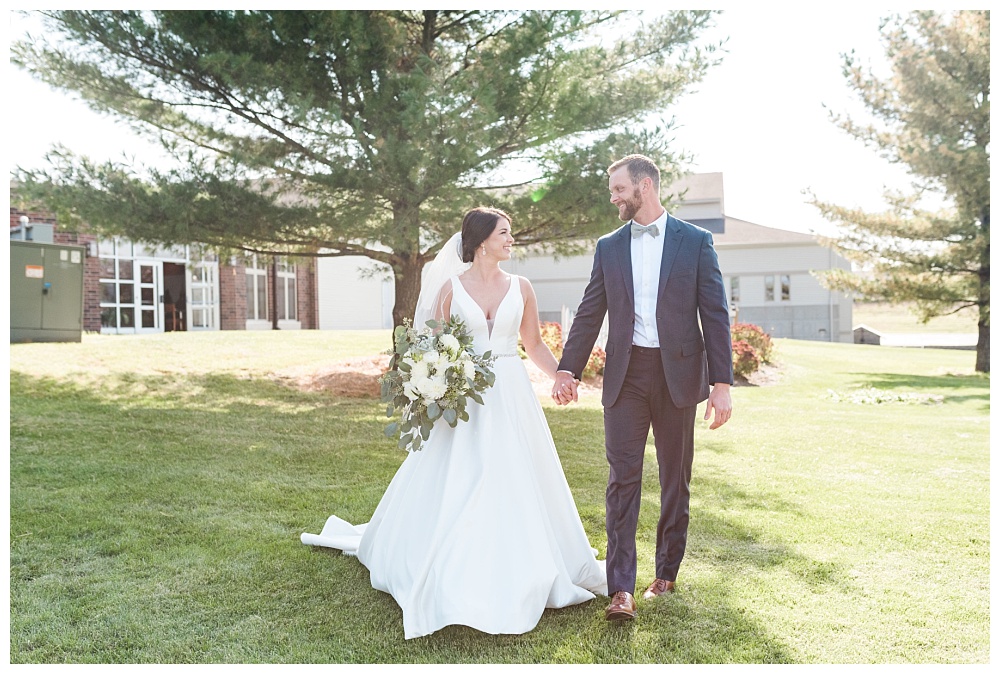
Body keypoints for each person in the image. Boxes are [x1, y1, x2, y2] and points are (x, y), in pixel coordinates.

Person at [302, 207, 607, 640]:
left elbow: (533, 343)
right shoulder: (450, 289)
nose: (511, 239)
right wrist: (433, 381)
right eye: (505, 233)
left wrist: (562, 374)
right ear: (482, 240)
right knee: (461, 475)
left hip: (510, 394)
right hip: (464, 398)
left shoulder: (522, 287)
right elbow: (433, 348)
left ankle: (520, 560)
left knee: (515, 474)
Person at [552, 154, 733, 622]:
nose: (613, 198)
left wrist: (721, 383)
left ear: (644, 186)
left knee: (675, 478)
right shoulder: (609, 246)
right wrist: (567, 369)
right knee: (622, 478)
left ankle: (666, 573)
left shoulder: (695, 242)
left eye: (618, 189)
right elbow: (591, 309)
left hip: (679, 376)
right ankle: (621, 590)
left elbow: (714, 314)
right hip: (626, 377)